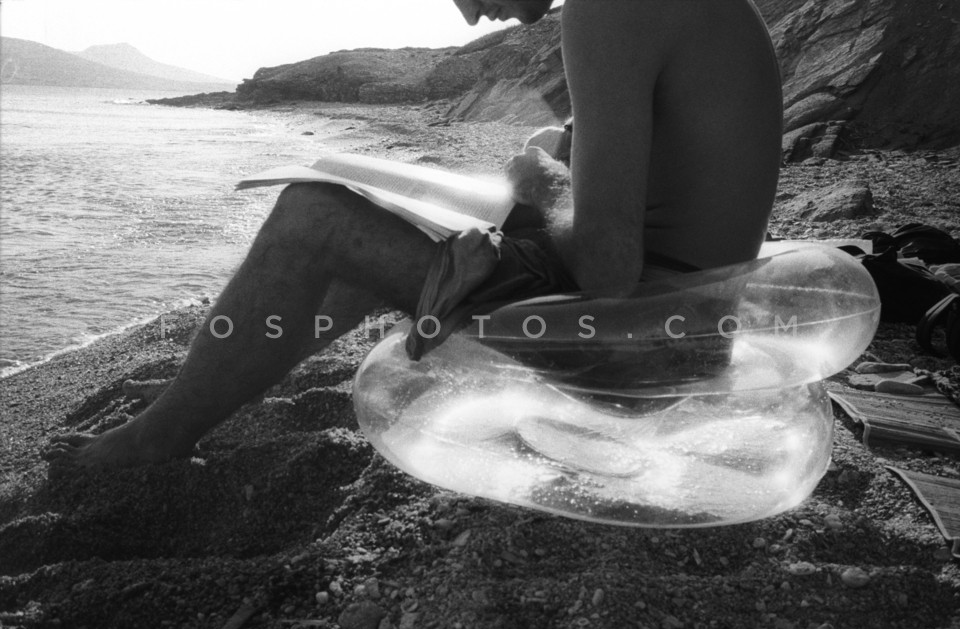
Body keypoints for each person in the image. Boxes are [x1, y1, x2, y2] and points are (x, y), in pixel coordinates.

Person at [45, 0, 782, 468]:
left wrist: (543, 182)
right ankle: (206, 390)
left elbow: (608, 268)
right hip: (675, 327)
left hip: (646, 355)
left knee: (312, 213)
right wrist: (559, 160)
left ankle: (156, 440)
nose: (468, 14)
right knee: (383, 212)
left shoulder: (611, 8)